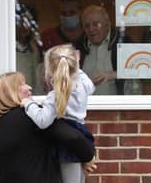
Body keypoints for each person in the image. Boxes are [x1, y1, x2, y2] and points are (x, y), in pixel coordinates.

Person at [0, 71, 96, 183]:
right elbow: (72, 136)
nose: (29, 87)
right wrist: (89, 157)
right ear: (9, 92)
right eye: (22, 84)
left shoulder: (2, 123)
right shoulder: (29, 115)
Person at [21, 44, 95, 183]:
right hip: (81, 133)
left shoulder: (56, 95)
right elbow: (91, 87)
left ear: (50, 70)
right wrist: (75, 66)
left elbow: (43, 121)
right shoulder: (83, 84)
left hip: (66, 139)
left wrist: (28, 103)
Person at [80, 5, 141, 95]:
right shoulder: (78, 47)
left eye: (96, 24)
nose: (91, 29)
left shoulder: (124, 43)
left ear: (107, 24)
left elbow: (144, 71)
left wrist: (116, 74)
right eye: (87, 26)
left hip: (117, 107)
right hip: (87, 107)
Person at [35, 0, 84, 94]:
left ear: (80, 12)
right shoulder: (47, 36)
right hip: (55, 93)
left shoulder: (89, 35)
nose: (68, 16)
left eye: (72, 13)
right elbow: (40, 66)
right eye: (64, 14)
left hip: (83, 91)